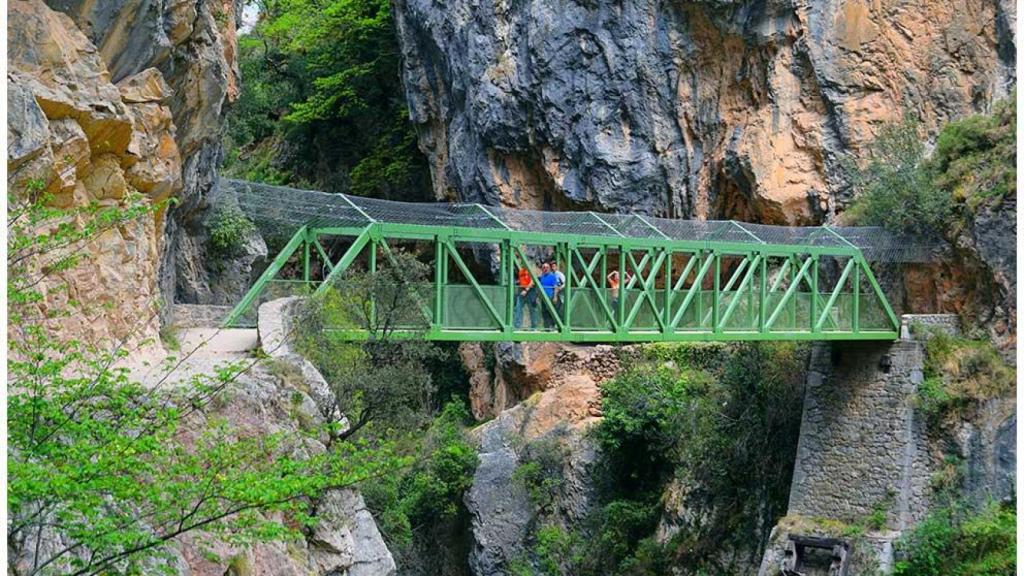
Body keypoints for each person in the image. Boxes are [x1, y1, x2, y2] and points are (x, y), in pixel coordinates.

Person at [514, 263, 538, 329]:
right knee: (518, 309)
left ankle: (534, 327)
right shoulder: (521, 271)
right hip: (522, 291)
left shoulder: (532, 271)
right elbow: (521, 280)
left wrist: (526, 290)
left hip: (530, 291)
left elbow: (533, 281)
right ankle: (517, 327)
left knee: (532, 310)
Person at [538, 262, 559, 329]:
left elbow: (555, 287)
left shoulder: (552, 276)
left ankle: (552, 326)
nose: (545, 269)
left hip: (550, 297)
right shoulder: (542, 277)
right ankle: (546, 327)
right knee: (544, 312)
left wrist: (555, 297)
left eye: (547, 267)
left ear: (549, 268)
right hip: (543, 298)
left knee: (551, 312)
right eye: (544, 267)